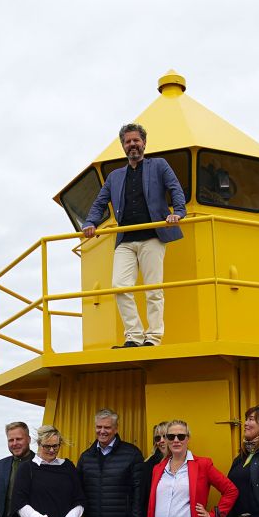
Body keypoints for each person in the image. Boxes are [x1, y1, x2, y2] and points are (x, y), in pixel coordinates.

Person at [82, 123, 186, 348]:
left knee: (153, 289)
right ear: (123, 146)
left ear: (144, 143)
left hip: (153, 236)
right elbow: (100, 202)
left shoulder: (159, 165)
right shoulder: (115, 177)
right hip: (125, 240)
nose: (132, 145)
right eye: (128, 142)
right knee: (120, 286)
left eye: (136, 140)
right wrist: (90, 222)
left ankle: (153, 338)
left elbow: (175, 188)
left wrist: (178, 212)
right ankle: (134, 336)